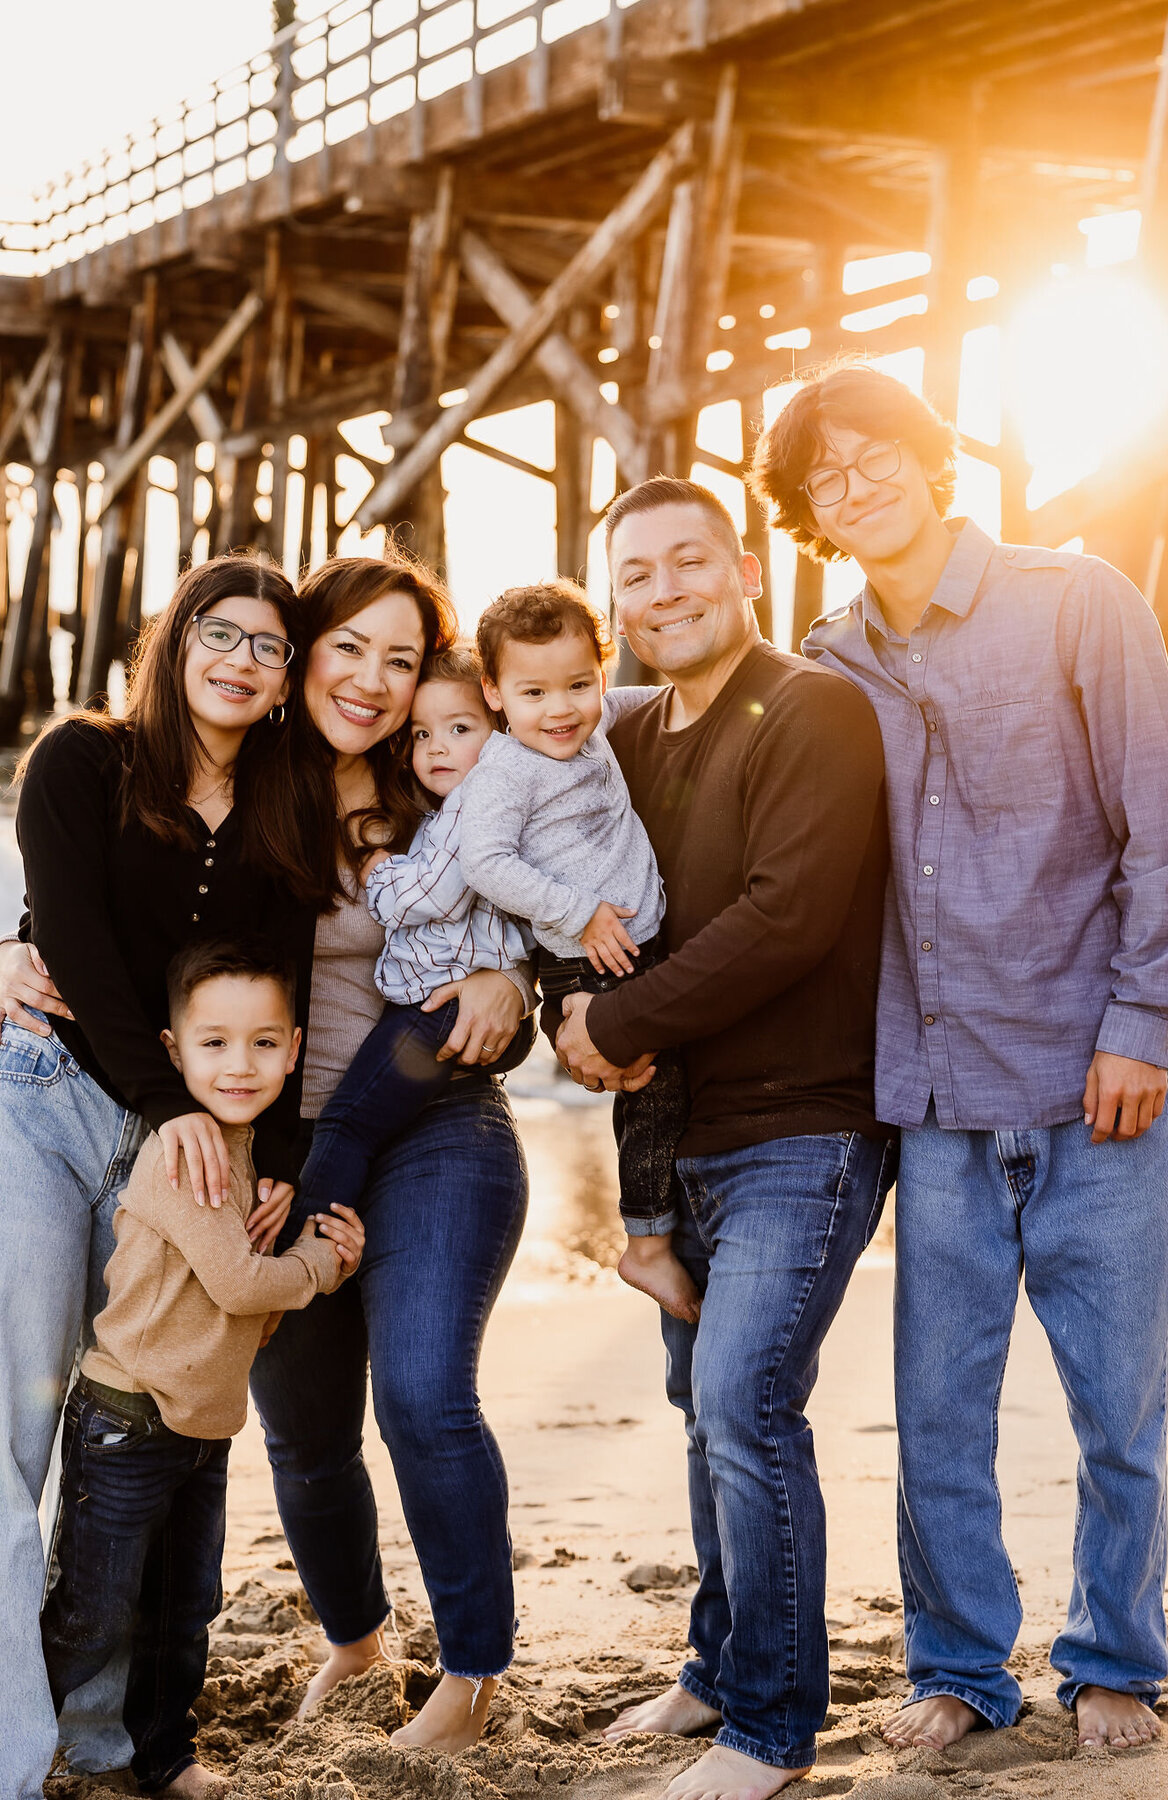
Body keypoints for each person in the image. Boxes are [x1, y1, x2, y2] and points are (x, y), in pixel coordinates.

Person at [752, 358, 1168, 1754]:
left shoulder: (1080, 603)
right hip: (931, 1105)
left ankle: (1114, 1658)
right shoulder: (823, 663)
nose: (852, 480)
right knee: (936, 1419)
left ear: (930, 455)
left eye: (872, 449)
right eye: (821, 473)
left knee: (1116, 1413)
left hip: (1098, 1089)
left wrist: (1145, 1027)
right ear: (809, 513)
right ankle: (957, 1672)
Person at [554, 477, 896, 1800]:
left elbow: (788, 914)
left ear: (743, 568)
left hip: (802, 1130)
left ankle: (772, 1729)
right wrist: (560, 1013)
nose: (665, 591)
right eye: (635, 575)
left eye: (688, 561)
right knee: (706, 1411)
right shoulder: (628, 739)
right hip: (679, 1137)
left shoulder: (816, 708)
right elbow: (560, 893)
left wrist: (616, 1016)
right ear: (617, 606)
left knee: (747, 1402)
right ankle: (713, 1671)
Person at [0, 556, 319, 1800]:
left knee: (141, 1420)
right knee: (18, 1427)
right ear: (176, 639)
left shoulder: (287, 805)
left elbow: (283, 992)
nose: (243, 661)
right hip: (52, 1108)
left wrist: (275, 1156)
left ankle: (105, 1736)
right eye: (220, 634)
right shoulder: (79, 760)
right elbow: (66, 936)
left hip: (189, 1146)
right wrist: (167, 1101)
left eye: (272, 646)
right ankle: (22, 1762)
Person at [245, 552, 535, 1752]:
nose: (372, 680)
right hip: (277, 1145)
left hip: (436, 1129)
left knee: (422, 1392)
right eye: (349, 646)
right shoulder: (232, 787)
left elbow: (553, 874)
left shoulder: (446, 788)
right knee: (305, 1430)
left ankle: (470, 1677)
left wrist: (512, 979)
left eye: (401, 658)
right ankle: (358, 1640)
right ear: (303, 649)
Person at [41, 937, 364, 1800]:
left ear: (295, 1049)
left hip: (201, 1429)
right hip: (127, 1419)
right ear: (172, 1051)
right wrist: (324, 1265)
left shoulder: (252, 1151)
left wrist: (300, 1249)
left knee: (181, 1613)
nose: (240, 1064)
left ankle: (164, 1755)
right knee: (93, 1613)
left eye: (264, 1042)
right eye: (214, 1043)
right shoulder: (186, 1157)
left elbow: (244, 1296)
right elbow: (240, 1281)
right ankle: (27, 1738)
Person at [460, 579, 697, 1323]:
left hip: (639, 941)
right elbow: (485, 862)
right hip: (585, 957)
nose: (558, 709)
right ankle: (648, 1243)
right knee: (650, 1089)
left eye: (577, 684)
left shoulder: (590, 731)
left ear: (605, 671)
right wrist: (579, 913)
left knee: (675, 1080)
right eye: (533, 692)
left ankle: (679, 1215)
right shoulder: (507, 769)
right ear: (494, 693)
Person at [295, 641, 529, 1224]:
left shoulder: (474, 807)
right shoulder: (442, 807)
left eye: (459, 728)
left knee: (347, 1123)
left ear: (501, 727)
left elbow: (427, 899)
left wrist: (379, 871)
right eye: (422, 734)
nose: (437, 748)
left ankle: (308, 1240)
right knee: (355, 1125)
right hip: (436, 1003)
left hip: (438, 1006)